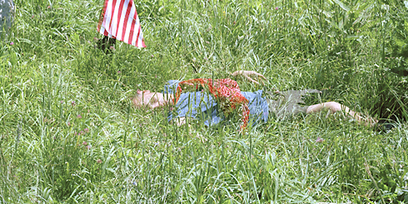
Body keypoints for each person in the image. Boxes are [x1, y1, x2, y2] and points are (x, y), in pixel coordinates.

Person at [132, 70, 376, 129]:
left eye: (150, 100)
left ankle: (370, 121)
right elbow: (185, 129)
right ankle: (373, 126)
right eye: (151, 109)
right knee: (329, 107)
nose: (156, 104)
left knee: (321, 98)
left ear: (146, 91)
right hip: (260, 114)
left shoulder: (176, 87)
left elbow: (214, 82)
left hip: (260, 97)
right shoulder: (176, 117)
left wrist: (238, 74)